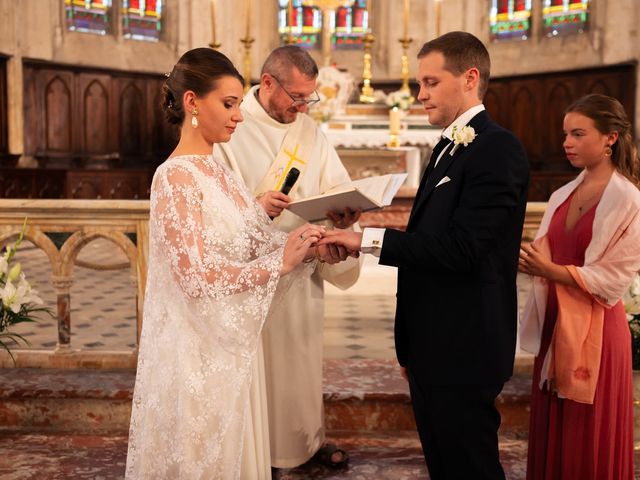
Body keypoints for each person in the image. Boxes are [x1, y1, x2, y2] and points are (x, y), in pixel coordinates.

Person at [319, 31, 530, 479]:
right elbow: (429, 238)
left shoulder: (497, 148)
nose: (420, 95)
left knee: (470, 467)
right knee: (444, 465)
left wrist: (368, 239)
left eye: (431, 83)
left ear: (470, 78)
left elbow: (464, 249)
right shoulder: (446, 147)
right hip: (432, 344)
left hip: (465, 343)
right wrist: (409, 344)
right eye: (420, 83)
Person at [125, 48, 325, 479]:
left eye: (238, 104)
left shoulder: (218, 172)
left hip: (229, 349)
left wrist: (309, 245)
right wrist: (281, 265)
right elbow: (196, 277)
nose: (238, 115)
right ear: (193, 102)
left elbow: (254, 243)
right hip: (196, 357)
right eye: (229, 104)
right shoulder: (175, 177)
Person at [214, 45, 361, 470]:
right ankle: (259, 454)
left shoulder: (310, 130)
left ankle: (304, 442)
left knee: (299, 359)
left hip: (304, 268)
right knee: (259, 364)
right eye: (296, 97)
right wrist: (255, 205)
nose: (303, 106)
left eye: (309, 97)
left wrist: (343, 214)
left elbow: (335, 185)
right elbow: (213, 205)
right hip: (253, 273)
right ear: (268, 83)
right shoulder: (230, 124)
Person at [519, 94, 640, 479]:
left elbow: (616, 278)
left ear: (611, 138)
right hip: (557, 321)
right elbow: (545, 253)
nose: (567, 143)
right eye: (565, 135)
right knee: (554, 425)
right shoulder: (561, 195)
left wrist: (551, 270)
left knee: (587, 432)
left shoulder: (629, 199)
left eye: (578, 134)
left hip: (599, 331)